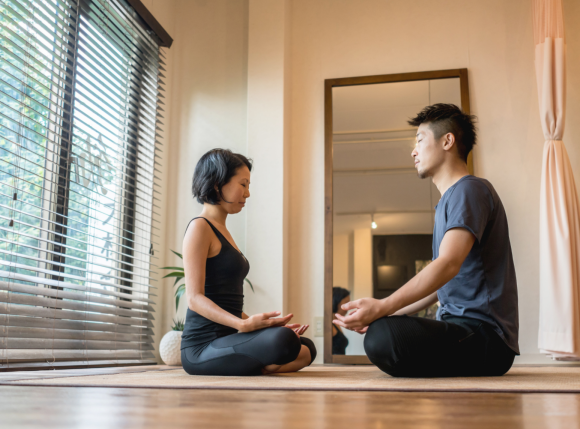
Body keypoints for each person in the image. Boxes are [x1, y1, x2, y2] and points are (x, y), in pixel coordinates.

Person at [334, 104, 519, 378]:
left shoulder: (469, 189)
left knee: (382, 337)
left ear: (447, 140)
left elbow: (447, 265)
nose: (413, 151)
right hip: (463, 331)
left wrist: (384, 306)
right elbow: (441, 284)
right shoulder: (448, 202)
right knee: (383, 329)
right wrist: (384, 313)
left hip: (485, 335)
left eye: (419, 140)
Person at [180, 149, 316, 376]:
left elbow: (227, 303)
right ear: (217, 184)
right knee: (284, 342)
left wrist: (262, 324)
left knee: (306, 346)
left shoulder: (224, 231)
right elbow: (194, 299)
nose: (248, 193)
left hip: (231, 337)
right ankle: (257, 364)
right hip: (202, 347)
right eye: (243, 184)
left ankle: (255, 367)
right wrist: (243, 326)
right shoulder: (200, 227)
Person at [331, 287, 351, 355]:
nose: (348, 308)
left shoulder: (336, 323)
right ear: (336, 301)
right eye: (346, 303)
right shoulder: (329, 326)